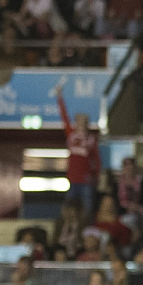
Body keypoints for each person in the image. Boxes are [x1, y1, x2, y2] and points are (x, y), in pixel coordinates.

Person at [56, 83, 101, 216]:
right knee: (69, 206)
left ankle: (85, 227)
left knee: (87, 208)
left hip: (86, 179)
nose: (81, 124)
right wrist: (59, 97)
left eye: (84, 121)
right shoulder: (71, 135)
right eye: (79, 121)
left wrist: (97, 177)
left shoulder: (91, 139)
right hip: (73, 178)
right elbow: (64, 117)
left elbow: (96, 160)